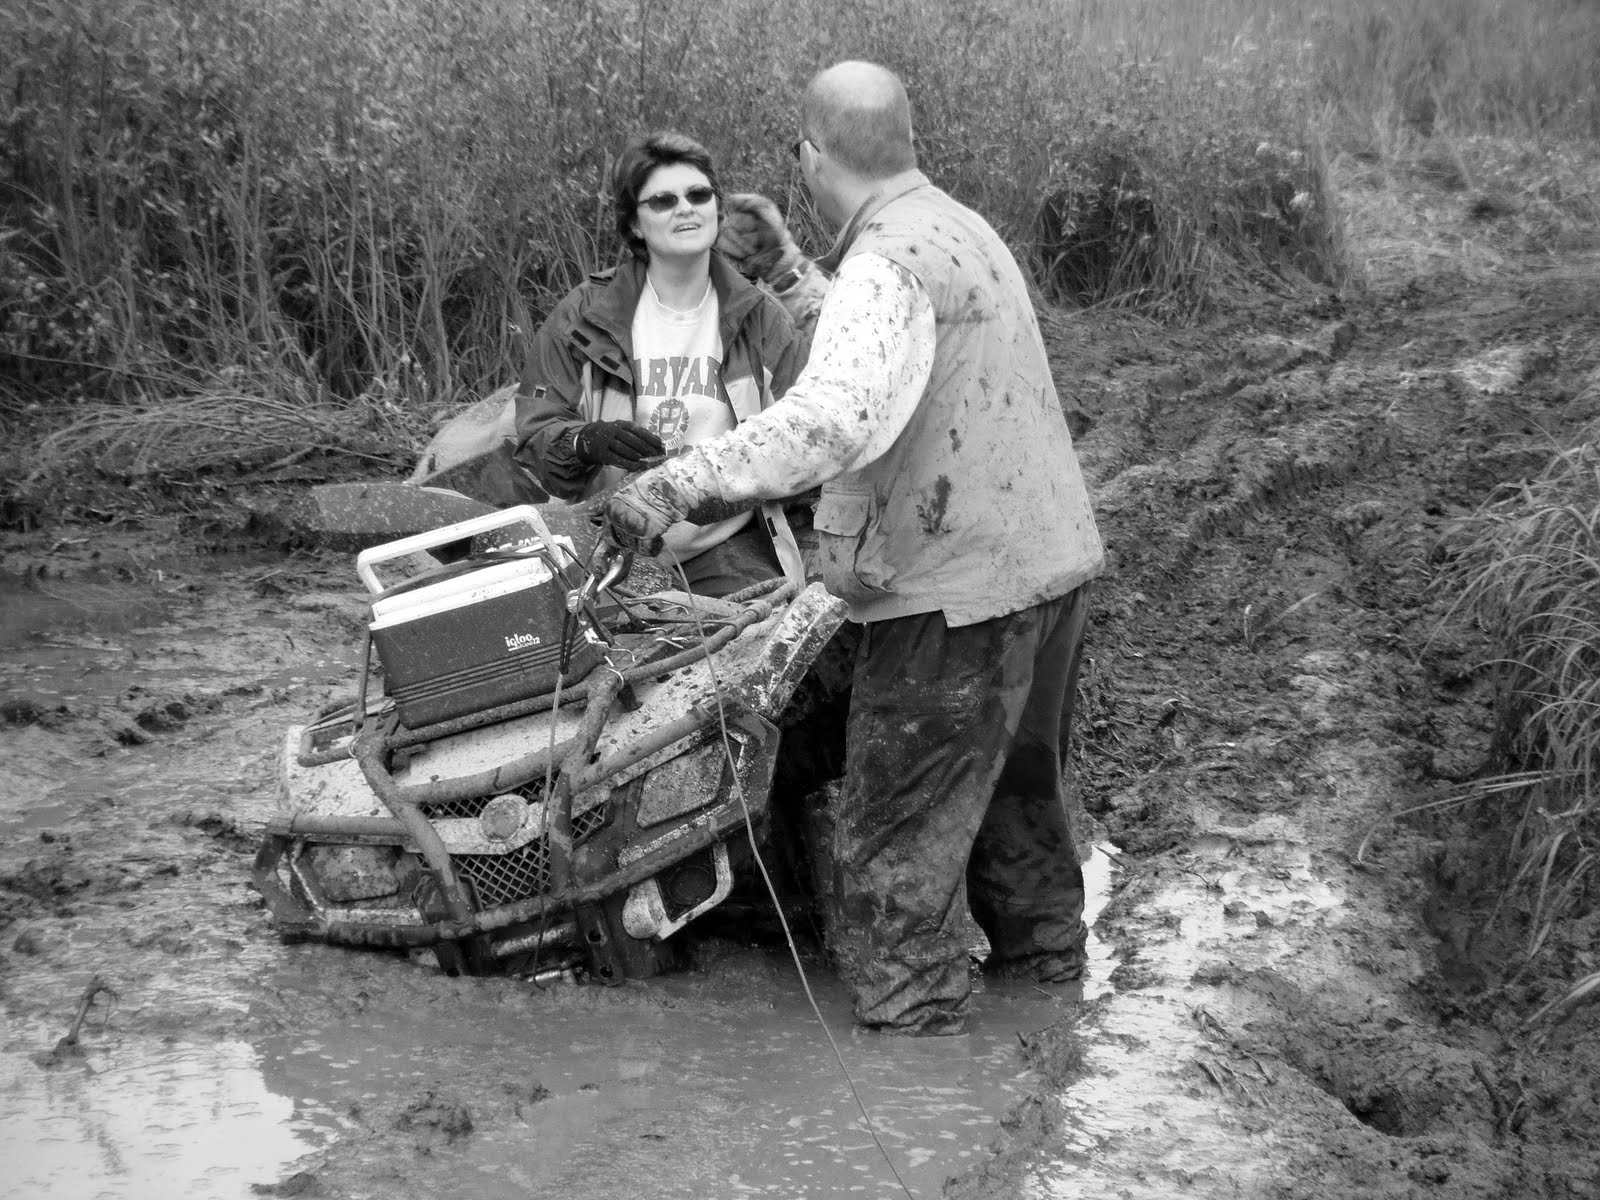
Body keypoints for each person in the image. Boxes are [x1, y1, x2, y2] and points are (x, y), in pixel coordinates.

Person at [601, 62, 1106, 1035]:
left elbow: (831, 417)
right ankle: (1049, 1020)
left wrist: (672, 484)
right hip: (1045, 575)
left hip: (951, 598)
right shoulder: (955, 229)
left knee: (890, 846)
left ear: (809, 157)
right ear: (909, 141)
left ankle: (917, 1059)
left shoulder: (885, 264)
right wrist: (799, 273)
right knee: (1016, 801)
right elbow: (891, 356)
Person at [513, 131, 806, 597]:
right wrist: (585, 441)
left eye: (699, 195)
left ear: (718, 209)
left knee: (759, 621)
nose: (685, 208)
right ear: (634, 224)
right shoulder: (583, 315)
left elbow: (805, 437)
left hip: (719, 544)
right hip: (600, 540)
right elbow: (535, 438)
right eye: (663, 201)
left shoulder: (761, 318)